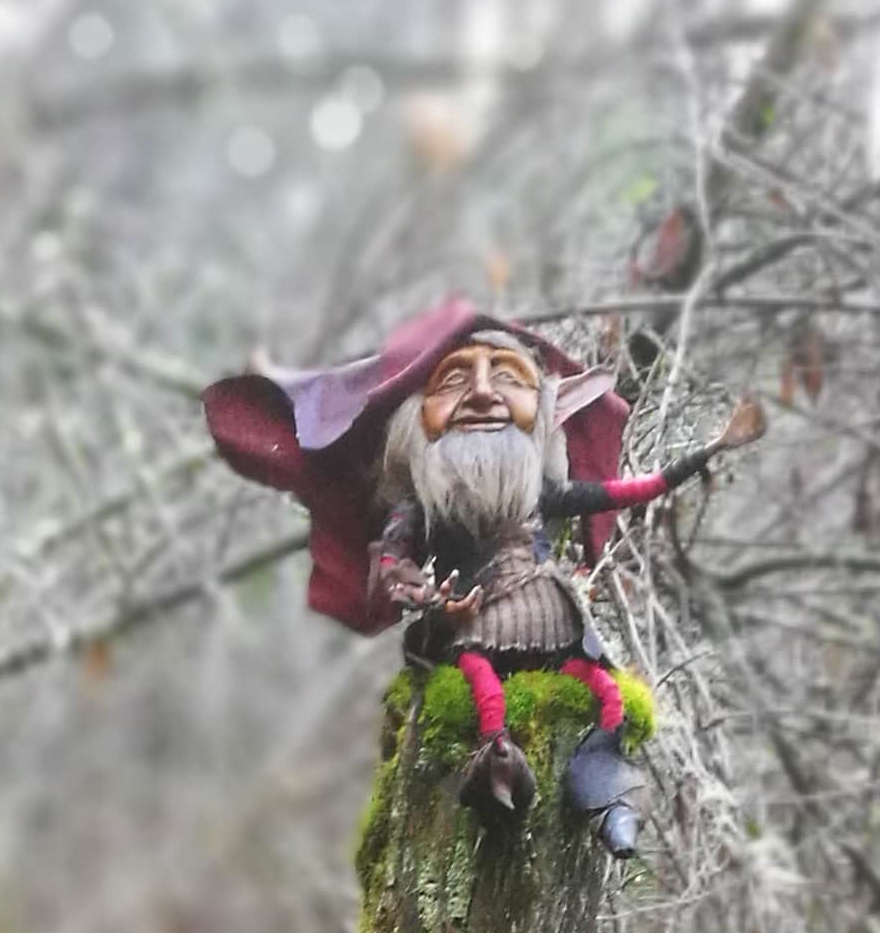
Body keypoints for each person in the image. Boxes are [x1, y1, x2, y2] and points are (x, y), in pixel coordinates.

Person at [202, 294, 741, 850]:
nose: (483, 392)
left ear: (545, 407)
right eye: (454, 380)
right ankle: (495, 780)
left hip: (551, 613)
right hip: (476, 627)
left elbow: (634, 489)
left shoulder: (545, 494)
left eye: (507, 377)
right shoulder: (418, 513)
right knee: (484, 693)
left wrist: (707, 453)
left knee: (604, 690)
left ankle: (609, 797)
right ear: (418, 417)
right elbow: (393, 567)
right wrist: (433, 600)